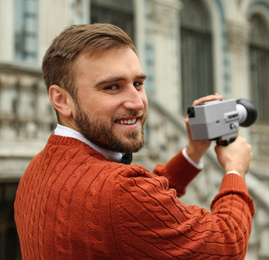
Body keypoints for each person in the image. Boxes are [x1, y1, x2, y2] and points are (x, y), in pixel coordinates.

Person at [14, 23, 255, 259]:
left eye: (138, 84)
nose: (137, 103)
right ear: (62, 100)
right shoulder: (119, 193)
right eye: (112, 87)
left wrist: (193, 152)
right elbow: (227, 245)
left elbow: (144, 207)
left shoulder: (36, 169)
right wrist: (235, 169)